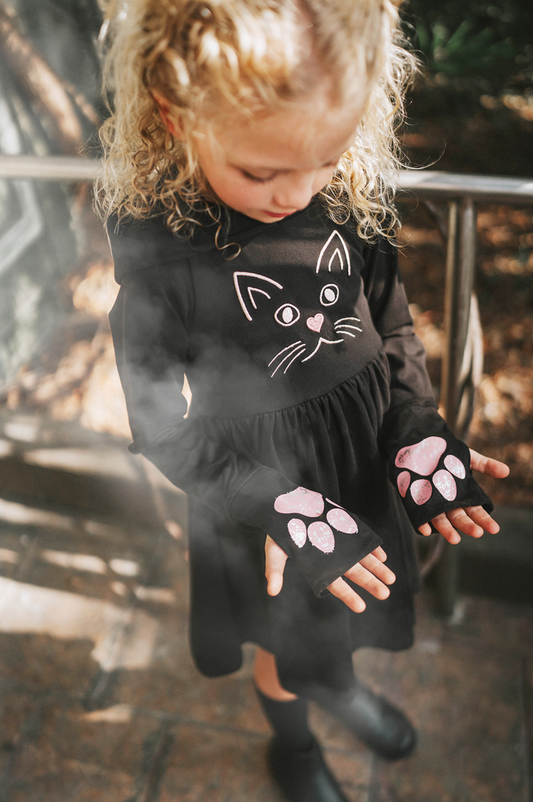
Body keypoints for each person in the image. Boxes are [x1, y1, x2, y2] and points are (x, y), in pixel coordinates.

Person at [98, 1, 509, 800]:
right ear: (175, 115)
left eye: (326, 157)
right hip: (263, 502)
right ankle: (293, 745)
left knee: (349, 618)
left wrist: (415, 430)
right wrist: (279, 505)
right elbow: (160, 428)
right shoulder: (162, 265)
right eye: (261, 173)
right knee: (287, 644)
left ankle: (340, 690)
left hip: (359, 465)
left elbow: (390, 329)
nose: (298, 191)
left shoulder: (346, 196)